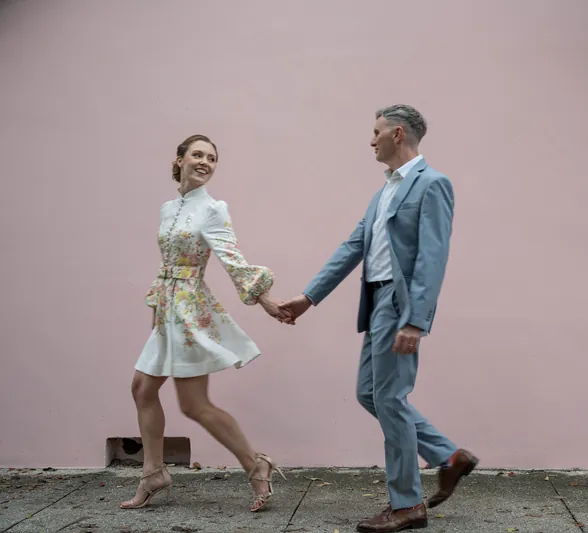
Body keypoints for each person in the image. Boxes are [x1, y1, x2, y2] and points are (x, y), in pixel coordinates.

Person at [280, 105, 478, 532]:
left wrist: (416, 321)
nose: (371, 140)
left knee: (389, 397)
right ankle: (448, 456)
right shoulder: (384, 191)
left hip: (398, 303)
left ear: (398, 133)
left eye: (376, 132)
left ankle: (407, 505)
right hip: (376, 303)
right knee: (370, 393)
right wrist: (308, 297)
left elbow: (432, 258)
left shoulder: (433, 184)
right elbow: (353, 247)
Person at [121, 134, 292, 512]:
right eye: (197, 154)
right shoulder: (168, 208)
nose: (205, 162)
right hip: (166, 310)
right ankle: (153, 472)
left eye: (211, 158)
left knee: (194, 405)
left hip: (189, 313)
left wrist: (263, 298)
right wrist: (156, 312)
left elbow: (232, 257)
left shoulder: (213, 209)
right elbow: (167, 264)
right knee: (142, 389)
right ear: (179, 160)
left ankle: (256, 464)